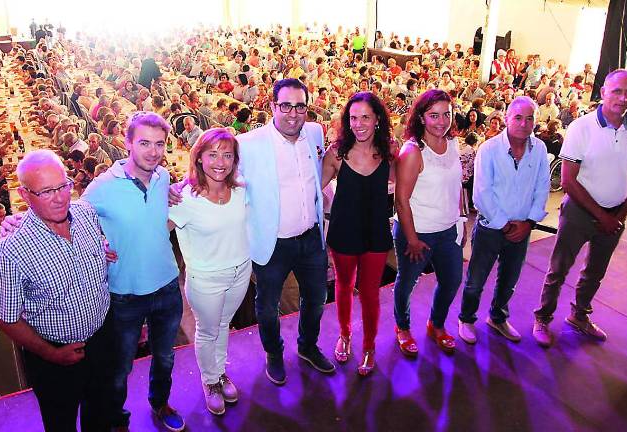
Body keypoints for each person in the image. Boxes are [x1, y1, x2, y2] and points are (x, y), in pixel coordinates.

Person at [170, 78, 335, 385]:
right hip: (271, 242)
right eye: (285, 105)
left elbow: (317, 174)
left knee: (316, 298)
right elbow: (218, 167)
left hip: (311, 237)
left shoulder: (315, 132)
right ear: (273, 106)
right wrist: (180, 187)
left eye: (300, 106)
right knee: (267, 305)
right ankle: (274, 353)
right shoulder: (249, 143)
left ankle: (308, 346)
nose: (293, 113)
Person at [0, 150, 112, 432]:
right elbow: (5, 317)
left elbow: (92, 262)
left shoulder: (86, 214)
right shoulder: (10, 252)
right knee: (61, 423)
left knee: (102, 413)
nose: (59, 198)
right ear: (24, 194)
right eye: (45, 192)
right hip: (55, 356)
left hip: (103, 339)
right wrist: (50, 354)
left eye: (63, 186)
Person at [82, 112, 185, 432]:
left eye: (159, 144)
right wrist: (96, 242)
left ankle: (160, 402)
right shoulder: (102, 186)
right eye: (144, 143)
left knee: (165, 358)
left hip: (167, 286)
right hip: (123, 293)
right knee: (121, 366)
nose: (153, 151)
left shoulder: (163, 178)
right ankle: (116, 419)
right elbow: (72, 219)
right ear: (127, 143)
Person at [532, 69, 627, 347]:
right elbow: (569, 181)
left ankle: (579, 315)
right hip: (580, 213)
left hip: (616, 214)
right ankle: (543, 318)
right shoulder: (582, 127)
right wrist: (601, 216)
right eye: (617, 91)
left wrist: (618, 216)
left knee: (596, 271)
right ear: (604, 92)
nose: (623, 97)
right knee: (559, 269)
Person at [168, 128, 250, 416]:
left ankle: (219, 373)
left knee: (223, 326)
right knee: (207, 330)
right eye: (212, 154)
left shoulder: (241, 190)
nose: (220, 161)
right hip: (206, 279)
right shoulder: (184, 197)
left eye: (227, 155)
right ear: (199, 157)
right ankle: (210, 381)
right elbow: (153, 229)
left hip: (241, 272)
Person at [457, 96, 550, 344]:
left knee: (509, 280)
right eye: (518, 117)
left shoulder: (539, 149)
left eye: (529, 118)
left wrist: (529, 223)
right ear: (507, 118)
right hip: (491, 228)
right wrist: (507, 225)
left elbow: (542, 187)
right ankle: (466, 318)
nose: (523, 123)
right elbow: (481, 194)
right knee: (476, 280)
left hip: (523, 227)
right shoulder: (489, 149)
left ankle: (497, 317)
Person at [319, 92, 393, 376]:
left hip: (375, 232)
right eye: (353, 118)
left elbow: (408, 187)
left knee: (371, 292)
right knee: (343, 286)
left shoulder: (389, 151)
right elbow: (310, 189)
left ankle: (369, 346)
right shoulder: (336, 153)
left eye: (365, 117)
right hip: (343, 231)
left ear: (377, 120)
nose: (359, 123)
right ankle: (345, 335)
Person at [393, 89, 464, 356]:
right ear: (421, 118)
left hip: (448, 231)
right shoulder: (412, 151)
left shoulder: (453, 144)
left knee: (452, 279)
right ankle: (402, 326)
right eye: (434, 115)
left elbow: (457, 187)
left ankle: (435, 324)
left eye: (446, 114)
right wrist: (411, 239)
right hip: (418, 233)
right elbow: (401, 200)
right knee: (407, 281)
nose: (441, 121)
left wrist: (460, 220)